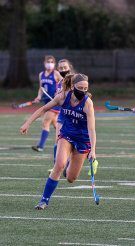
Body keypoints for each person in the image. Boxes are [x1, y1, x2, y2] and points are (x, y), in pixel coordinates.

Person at [20, 73, 96, 210]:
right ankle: (44, 200)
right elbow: (44, 109)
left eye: (85, 89)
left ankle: (71, 164)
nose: (83, 91)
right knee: (59, 165)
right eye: (80, 88)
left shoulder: (87, 103)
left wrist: (93, 150)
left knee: (71, 178)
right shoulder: (62, 97)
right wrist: (28, 123)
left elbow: (91, 129)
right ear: (72, 86)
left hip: (83, 139)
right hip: (66, 135)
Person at [32, 55, 63, 152]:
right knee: (56, 124)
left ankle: (40, 146)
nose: (49, 63)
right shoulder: (41, 74)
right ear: (44, 63)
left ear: (54, 63)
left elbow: (64, 83)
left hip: (54, 103)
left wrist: (59, 91)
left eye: (52, 62)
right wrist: (39, 96)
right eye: (48, 61)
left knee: (45, 122)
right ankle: (65, 142)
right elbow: (41, 88)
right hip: (46, 102)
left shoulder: (56, 74)